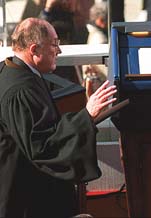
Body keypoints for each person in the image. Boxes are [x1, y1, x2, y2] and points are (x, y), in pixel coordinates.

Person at [0, 17, 117, 218]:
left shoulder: (10, 70)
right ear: (34, 50)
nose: (59, 51)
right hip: (26, 200)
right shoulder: (21, 90)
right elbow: (42, 146)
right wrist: (86, 116)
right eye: (54, 45)